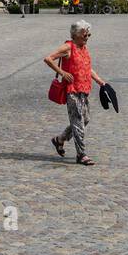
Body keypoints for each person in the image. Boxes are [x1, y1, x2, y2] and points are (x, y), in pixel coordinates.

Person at [44, 19, 108, 167]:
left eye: (89, 35)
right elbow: (48, 59)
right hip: (72, 90)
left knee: (85, 119)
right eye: (85, 35)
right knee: (78, 121)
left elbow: (87, 68)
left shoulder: (83, 48)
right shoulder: (68, 47)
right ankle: (81, 154)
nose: (87, 38)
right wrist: (62, 72)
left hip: (84, 88)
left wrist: (101, 82)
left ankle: (59, 139)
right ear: (76, 34)